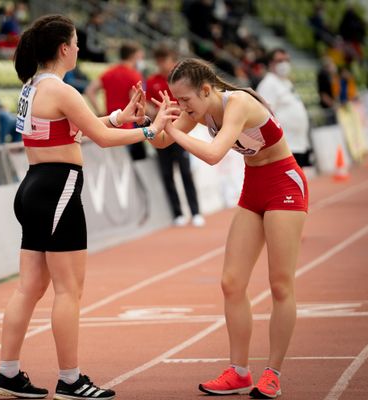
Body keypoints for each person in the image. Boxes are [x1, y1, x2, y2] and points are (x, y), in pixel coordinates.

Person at [0, 14, 172, 400]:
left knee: (30, 287)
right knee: (68, 290)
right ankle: (70, 380)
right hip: (58, 188)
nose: (79, 49)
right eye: (76, 43)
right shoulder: (62, 90)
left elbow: (75, 128)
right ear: (63, 49)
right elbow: (101, 138)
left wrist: (122, 117)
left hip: (33, 188)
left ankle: (7, 373)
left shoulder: (32, 86)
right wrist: (150, 130)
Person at [150, 58, 308, 399]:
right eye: (177, 101)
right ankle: (238, 372)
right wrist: (153, 123)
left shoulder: (237, 103)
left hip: (284, 183)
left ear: (206, 90)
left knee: (280, 284)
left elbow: (213, 154)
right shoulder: (199, 108)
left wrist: (174, 130)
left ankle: (273, 373)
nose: (182, 107)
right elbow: (160, 142)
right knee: (231, 282)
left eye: (186, 100)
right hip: (254, 186)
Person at [146, 43, 205, 227]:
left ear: (172, 61)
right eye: (159, 61)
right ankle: (177, 214)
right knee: (167, 174)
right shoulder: (153, 80)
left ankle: (195, 212)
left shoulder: (180, 80)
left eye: (165, 60)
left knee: (186, 172)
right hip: (162, 131)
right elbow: (148, 107)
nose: (162, 65)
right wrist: (157, 111)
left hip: (180, 130)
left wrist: (177, 110)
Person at [85, 41, 146, 159]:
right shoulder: (134, 75)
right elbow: (135, 102)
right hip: (126, 127)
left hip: (109, 124)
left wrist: (100, 111)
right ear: (133, 56)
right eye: (140, 56)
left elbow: (90, 90)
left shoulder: (110, 72)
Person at [256, 49, 312, 168]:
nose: (284, 64)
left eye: (287, 60)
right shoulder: (268, 84)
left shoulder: (286, 82)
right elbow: (264, 115)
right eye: (280, 61)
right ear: (271, 63)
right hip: (285, 145)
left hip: (298, 142)